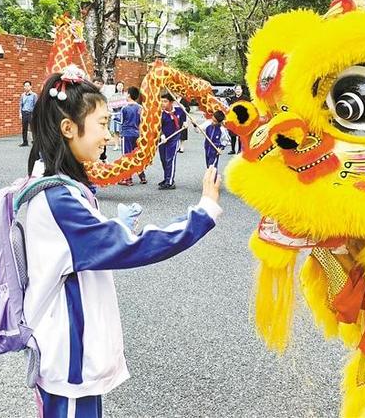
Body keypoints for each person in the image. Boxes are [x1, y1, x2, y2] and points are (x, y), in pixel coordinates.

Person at [24, 69, 222, 417]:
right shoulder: (60, 199)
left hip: (72, 356)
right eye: (102, 124)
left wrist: (114, 224)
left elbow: (84, 247)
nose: (108, 136)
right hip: (70, 359)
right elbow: (131, 246)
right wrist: (202, 214)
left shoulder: (62, 185)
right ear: (68, 128)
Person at [118, 86, 147, 186]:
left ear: (129, 95)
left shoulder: (124, 108)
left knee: (126, 156)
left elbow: (121, 121)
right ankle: (142, 176)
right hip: (136, 133)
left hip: (126, 134)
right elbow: (142, 122)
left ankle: (127, 178)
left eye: (126, 93)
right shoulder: (140, 108)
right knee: (136, 155)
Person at [158, 93, 186, 190]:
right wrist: (161, 135)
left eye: (165, 101)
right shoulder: (160, 113)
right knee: (163, 159)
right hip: (163, 139)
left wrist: (185, 124)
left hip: (174, 138)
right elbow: (158, 126)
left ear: (171, 102)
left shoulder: (179, 110)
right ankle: (166, 178)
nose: (162, 103)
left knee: (170, 159)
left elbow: (184, 117)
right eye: (161, 101)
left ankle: (169, 182)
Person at [226, 84, 248, 154]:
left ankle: (239, 150)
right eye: (237, 89)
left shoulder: (245, 98)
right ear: (235, 90)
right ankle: (233, 149)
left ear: (242, 90)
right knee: (232, 135)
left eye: (239, 89)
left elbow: (249, 108)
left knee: (240, 135)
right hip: (233, 119)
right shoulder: (231, 99)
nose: (238, 91)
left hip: (242, 119)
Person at [91, 76, 108, 162]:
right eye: (97, 83)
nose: (99, 85)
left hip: (100, 120)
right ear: (92, 83)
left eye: (101, 84)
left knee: (102, 138)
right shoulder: (88, 94)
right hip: (91, 121)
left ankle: (103, 157)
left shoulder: (102, 96)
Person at [108, 81, 126, 151]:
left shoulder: (125, 95)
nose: (120, 87)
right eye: (119, 85)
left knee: (122, 130)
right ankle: (116, 145)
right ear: (116, 87)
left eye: (121, 86)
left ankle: (122, 144)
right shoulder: (113, 96)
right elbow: (110, 105)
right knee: (116, 131)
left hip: (123, 114)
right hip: (115, 114)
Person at [20, 80, 37, 147]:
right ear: (24, 87)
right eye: (25, 86)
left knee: (33, 128)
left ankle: (35, 142)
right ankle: (25, 142)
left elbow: (35, 105)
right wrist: (20, 113)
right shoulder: (22, 95)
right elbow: (21, 105)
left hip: (31, 113)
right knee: (24, 128)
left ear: (30, 86)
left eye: (28, 86)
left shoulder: (34, 95)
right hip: (24, 113)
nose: (26, 87)